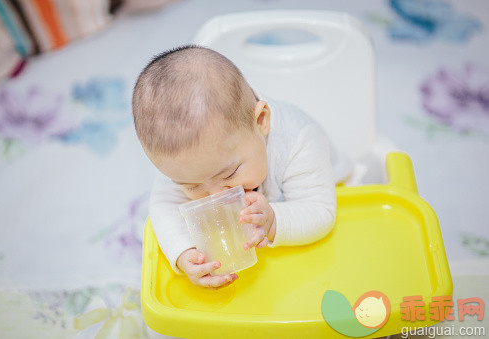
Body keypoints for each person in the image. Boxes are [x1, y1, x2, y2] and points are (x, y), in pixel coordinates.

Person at [132, 45, 350, 289]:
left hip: (334, 188)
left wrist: (274, 220)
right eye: (193, 187)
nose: (218, 195)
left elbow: (320, 212)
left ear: (261, 122)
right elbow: (164, 205)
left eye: (230, 174)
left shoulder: (299, 140)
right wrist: (184, 252)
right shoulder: (187, 163)